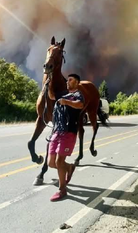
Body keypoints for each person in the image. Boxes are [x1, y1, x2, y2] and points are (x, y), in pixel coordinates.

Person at [47, 73, 85, 201]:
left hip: (69, 131)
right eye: (67, 80)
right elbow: (52, 96)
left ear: (77, 83)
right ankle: (69, 167)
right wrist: (49, 82)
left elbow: (80, 105)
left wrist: (66, 102)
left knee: (59, 161)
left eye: (71, 80)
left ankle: (62, 190)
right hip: (57, 130)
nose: (68, 82)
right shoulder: (62, 94)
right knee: (51, 163)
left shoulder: (78, 95)